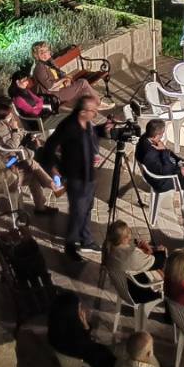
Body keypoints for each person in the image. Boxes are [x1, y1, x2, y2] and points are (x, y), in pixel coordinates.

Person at [42, 95, 111, 257]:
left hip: (88, 175)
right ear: (82, 112)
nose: (96, 113)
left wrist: (103, 128)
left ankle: (86, 241)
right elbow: (49, 146)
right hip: (75, 176)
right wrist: (53, 168)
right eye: (93, 111)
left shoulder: (86, 122)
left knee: (87, 209)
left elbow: (92, 134)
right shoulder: (68, 126)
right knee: (78, 211)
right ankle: (70, 246)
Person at [0, 99, 62, 209]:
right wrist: (14, 130)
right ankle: (54, 185)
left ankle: (41, 206)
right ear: (4, 116)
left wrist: (28, 136)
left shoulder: (6, 124)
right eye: (10, 114)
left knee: (34, 169)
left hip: (12, 159)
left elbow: (18, 138)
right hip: (8, 163)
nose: (12, 115)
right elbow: (10, 148)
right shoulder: (0, 128)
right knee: (33, 161)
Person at [46, 290, 116, 367]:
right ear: (70, 313)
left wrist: (85, 326)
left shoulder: (57, 332)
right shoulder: (77, 340)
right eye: (78, 308)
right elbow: (89, 349)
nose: (81, 311)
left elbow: (82, 342)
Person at [99, 220, 166, 308]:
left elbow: (133, 261)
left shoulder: (108, 248)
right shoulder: (131, 255)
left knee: (156, 268)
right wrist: (159, 250)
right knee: (164, 264)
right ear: (124, 238)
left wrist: (142, 250)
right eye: (129, 230)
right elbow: (159, 262)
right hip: (138, 293)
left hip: (122, 289)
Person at [30, 41, 108, 110]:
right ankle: (98, 103)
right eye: (41, 53)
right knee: (82, 83)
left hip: (60, 89)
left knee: (82, 88)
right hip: (54, 95)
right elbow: (50, 86)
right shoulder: (39, 68)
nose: (45, 54)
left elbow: (61, 73)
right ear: (36, 56)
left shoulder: (49, 62)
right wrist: (64, 80)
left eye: (46, 51)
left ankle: (92, 104)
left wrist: (67, 79)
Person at [134, 119, 184, 187]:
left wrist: (179, 162)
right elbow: (166, 171)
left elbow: (168, 154)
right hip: (162, 181)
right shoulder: (150, 153)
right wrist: (163, 151)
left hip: (167, 167)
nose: (162, 136)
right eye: (162, 133)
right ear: (156, 135)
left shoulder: (147, 137)